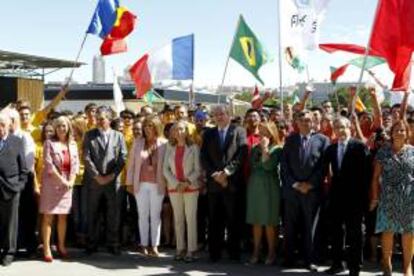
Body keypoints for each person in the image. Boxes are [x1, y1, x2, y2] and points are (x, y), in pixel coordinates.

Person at [281, 109, 330, 271]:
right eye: (301, 120)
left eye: (308, 120)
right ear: (297, 123)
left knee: (311, 227)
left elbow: (323, 167)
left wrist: (310, 184)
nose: (304, 123)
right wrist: (295, 184)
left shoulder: (323, 140)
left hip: (312, 191)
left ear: (313, 122)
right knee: (290, 226)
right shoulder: (290, 140)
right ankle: (289, 258)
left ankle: (311, 259)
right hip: (292, 191)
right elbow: (285, 166)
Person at [323, 117, 371, 276]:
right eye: (337, 127)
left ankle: (355, 267)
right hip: (337, 197)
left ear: (349, 127)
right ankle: (337, 264)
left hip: (356, 199)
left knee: (355, 234)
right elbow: (326, 172)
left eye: (343, 127)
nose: (340, 130)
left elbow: (366, 175)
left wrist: (366, 199)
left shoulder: (359, 146)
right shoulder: (331, 149)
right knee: (336, 232)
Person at [200, 105, 248, 262]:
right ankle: (215, 253)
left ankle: (234, 253)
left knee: (233, 219)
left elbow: (241, 155)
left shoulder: (239, 131)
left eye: (222, 114)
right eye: (216, 115)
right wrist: (215, 174)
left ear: (229, 115)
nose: (219, 117)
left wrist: (227, 173)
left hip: (232, 184)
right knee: (214, 220)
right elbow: (204, 157)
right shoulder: (209, 133)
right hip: (214, 184)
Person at [370, 120, 414, 276]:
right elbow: (375, 177)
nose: (400, 132)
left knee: (408, 233)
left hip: (409, 198)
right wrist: (374, 198)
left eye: (403, 130)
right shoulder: (383, 151)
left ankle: (407, 268)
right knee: (388, 231)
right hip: (388, 197)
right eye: (397, 130)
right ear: (392, 133)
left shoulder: (413, 151)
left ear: (407, 133)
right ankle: (387, 266)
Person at [83, 106, 127, 255]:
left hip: (113, 181)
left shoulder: (118, 136)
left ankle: (113, 243)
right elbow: (87, 158)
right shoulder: (89, 135)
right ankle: (92, 243)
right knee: (93, 213)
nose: (99, 121)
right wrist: (97, 176)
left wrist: (112, 175)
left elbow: (122, 158)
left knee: (113, 214)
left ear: (109, 119)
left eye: (102, 118)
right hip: (94, 182)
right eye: (97, 118)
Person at [126, 115, 167, 257]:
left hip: (157, 184)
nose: (147, 128)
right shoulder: (138, 142)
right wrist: (129, 182)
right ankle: (143, 244)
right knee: (142, 215)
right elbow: (131, 165)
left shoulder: (164, 143)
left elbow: (167, 166)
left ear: (156, 127)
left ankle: (154, 246)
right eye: (146, 126)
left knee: (155, 215)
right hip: (140, 184)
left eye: (150, 126)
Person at [39, 116, 80, 262]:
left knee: (63, 217)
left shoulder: (73, 144)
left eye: (64, 125)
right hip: (51, 184)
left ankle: (61, 246)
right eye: (59, 126)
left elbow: (76, 166)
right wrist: (63, 180)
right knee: (48, 216)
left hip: (67, 185)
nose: (62, 128)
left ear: (68, 127)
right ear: (55, 128)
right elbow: (49, 166)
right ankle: (47, 248)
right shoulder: (49, 143)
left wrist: (71, 181)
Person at [163, 121, 201, 262]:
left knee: (190, 219)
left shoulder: (194, 147)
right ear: (172, 132)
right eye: (176, 130)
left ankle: (191, 250)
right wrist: (176, 183)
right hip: (175, 188)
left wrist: (186, 182)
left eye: (181, 129)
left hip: (190, 188)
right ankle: (180, 248)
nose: (179, 132)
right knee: (178, 219)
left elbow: (197, 170)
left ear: (186, 131)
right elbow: (165, 169)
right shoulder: (169, 147)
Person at [246, 122, 282, 265]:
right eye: (260, 132)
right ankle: (256, 251)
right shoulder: (255, 148)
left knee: (269, 221)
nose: (262, 135)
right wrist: (261, 151)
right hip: (255, 187)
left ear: (272, 133)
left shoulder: (277, 149)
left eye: (265, 132)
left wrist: (265, 149)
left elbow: (268, 166)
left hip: (270, 188)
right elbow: (253, 165)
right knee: (256, 220)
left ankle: (272, 252)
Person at [0, 112, 28, 266]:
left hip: (11, 188)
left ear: (9, 125)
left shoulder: (16, 141)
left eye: (3, 125)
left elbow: (23, 168)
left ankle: (9, 252)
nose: (1, 128)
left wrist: (19, 186)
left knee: (11, 222)